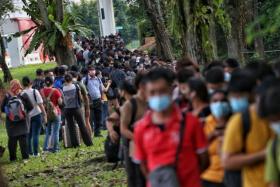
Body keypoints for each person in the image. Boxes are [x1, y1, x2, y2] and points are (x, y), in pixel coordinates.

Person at [133, 68, 209, 187]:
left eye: (162, 91)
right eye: (152, 92)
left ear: (171, 90)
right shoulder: (140, 129)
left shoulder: (192, 122)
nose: (157, 96)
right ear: (146, 94)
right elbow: (143, 165)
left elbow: (204, 160)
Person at [222, 70, 273, 187]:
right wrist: (265, 154)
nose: (236, 100)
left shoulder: (272, 114)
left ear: (253, 93)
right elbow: (227, 161)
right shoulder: (239, 120)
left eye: (240, 96)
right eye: (234, 96)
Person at [120, 73, 148, 187]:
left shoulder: (152, 101)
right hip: (133, 146)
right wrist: (138, 139)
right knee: (135, 178)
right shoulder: (129, 105)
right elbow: (123, 128)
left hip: (150, 145)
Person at [201, 90, 231, 187]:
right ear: (210, 104)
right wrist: (212, 135)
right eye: (215, 101)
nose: (219, 104)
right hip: (209, 177)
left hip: (231, 176)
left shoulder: (236, 122)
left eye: (223, 101)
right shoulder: (204, 123)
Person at [1, 80, 33, 161]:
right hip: (23, 121)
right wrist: (24, 113)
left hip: (11, 122)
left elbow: (2, 108)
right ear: (19, 85)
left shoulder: (7, 96)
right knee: (23, 140)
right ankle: (25, 157)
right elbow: (31, 106)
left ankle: (13, 158)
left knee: (12, 140)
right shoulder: (23, 94)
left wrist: (9, 114)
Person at [62, 74, 93, 147]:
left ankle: (74, 144)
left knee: (71, 127)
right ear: (71, 79)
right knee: (82, 125)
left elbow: (63, 99)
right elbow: (80, 98)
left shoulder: (63, 88)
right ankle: (88, 143)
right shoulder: (76, 86)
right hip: (76, 108)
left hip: (67, 109)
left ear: (65, 80)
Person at [22, 76, 47, 156]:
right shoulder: (34, 91)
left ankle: (29, 152)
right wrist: (45, 114)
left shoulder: (21, 93)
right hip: (37, 114)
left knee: (28, 135)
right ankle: (36, 153)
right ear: (31, 83)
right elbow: (40, 104)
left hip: (27, 116)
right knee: (35, 134)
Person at [41, 77, 63, 153]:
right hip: (55, 112)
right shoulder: (55, 91)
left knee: (48, 132)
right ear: (52, 83)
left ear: (45, 83)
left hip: (46, 114)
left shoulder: (41, 91)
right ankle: (55, 148)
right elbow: (60, 102)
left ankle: (45, 148)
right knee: (56, 131)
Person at [82, 66, 104, 137]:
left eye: (93, 70)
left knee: (98, 117)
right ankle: (90, 133)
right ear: (88, 72)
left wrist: (102, 98)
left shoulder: (98, 79)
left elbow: (101, 89)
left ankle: (98, 132)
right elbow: (82, 90)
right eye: (91, 70)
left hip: (98, 100)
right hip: (89, 101)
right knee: (90, 117)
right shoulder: (85, 79)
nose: (92, 71)